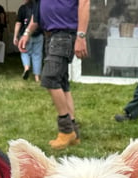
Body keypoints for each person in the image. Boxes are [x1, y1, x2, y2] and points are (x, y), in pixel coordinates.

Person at [18, 0, 90, 150]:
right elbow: (37, 14)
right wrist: (26, 33)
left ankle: (66, 131)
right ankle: (73, 131)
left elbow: (84, 3)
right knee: (62, 83)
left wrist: (81, 36)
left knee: (50, 78)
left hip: (64, 35)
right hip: (50, 36)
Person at [13, 0, 43, 82]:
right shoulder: (39, 7)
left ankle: (26, 68)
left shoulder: (22, 8)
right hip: (38, 34)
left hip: (25, 35)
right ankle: (37, 77)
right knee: (37, 55)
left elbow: (18, 23)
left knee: (24, 52)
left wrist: (15, 36)